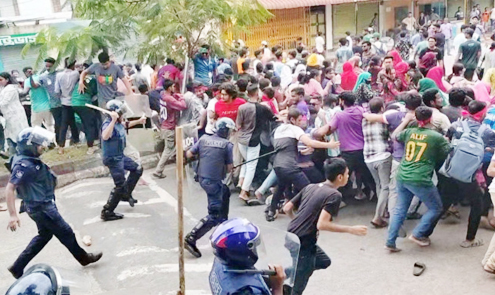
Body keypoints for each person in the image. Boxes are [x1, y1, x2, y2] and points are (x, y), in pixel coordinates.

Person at [5, 127, 103, 279]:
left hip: (40, 204)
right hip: (41, 207)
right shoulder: (23, 166)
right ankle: (84, 258)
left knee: (44, 236)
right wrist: (13, 215)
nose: (42, 147)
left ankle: (17, 266)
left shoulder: (29, 159)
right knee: (66, 232)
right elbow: (10, 188)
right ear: (30, 146)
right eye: (38, 145)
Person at [283, 158, 367, 295]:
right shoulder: (334, 195)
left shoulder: (311, 187)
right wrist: (350, 229)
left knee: (323, 261)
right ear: (340, 177)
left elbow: (287, 208)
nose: (348, 176)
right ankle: (294, 276)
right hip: (304, 243)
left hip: (290, 236)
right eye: (347, 174)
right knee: (298, 288)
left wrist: (297, 221)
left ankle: (287, 272)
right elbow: (322, 224)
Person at [385, 106, 450, 252]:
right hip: (420, 178)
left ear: (416, 118)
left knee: (400, 209)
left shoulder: (409, 132)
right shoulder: (436, 136)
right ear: (431, 119)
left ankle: (390, 241)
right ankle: (418, 233)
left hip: (402, 174)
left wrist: (405, 122)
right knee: (436, 207)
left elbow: (395, 135)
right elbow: (448, 150)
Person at [265, 108, 340, 221]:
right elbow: (310, 142)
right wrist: (329, 145)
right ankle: (318, 214)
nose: (301, 122)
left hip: (278, 165)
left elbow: (285, 148)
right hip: (290, 166)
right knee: (309, 189)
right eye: (299, 120)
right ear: (292, 120)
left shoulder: (278, 130)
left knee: (281, 186)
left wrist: (301, 152)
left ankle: (272, 210)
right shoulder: (295, 129)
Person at [184, 118, 235, 258]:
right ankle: (192, 237)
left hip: (202, 178)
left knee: (225, 192)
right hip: (213, 182)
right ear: (226, 131)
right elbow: (230, 168)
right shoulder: (227, 145)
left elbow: (189, 154)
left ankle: (223, 225)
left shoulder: (204, 139)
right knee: (214, 214)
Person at [209, 218, 286, 295]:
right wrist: (277, 288)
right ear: (242, 252)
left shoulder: (221, 262)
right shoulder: (248, 291)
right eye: (253, 248)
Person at [100, 100, 145, 221]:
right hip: (113, 159)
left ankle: (126, 194)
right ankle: (107, 211)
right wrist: (113, 120)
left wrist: (139, 121)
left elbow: (125, 125)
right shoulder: (108, 123)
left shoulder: (119, 122)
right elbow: (105, 136)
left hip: (120, 156)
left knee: (137, 169)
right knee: (119, 185)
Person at [236, 85, 274, 204]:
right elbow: (273, 118)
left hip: (241, 139)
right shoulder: (263, 108)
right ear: (257, 94)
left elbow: (238, 125)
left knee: (246, 162)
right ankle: (244, 191)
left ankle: (241, 181)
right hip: (254, 140)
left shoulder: (241, 107)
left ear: (247, 94)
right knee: (251, 165)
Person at [362, 98, 392, 228]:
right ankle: (377, 217)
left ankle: (383, 211)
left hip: (368, 156)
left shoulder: (364, 120)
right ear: (382, 108)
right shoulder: (383, 120)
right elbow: (390, 136)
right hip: (383, 155)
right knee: (386, 186)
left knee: (379, 184)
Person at [153, 80, 187, 179]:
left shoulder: (163, 95)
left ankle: (177, 160)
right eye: (173, 86)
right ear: (169, 88)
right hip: (169, 127)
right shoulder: (169, 99)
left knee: (174, 146)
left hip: (165, 125)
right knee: (168, 149)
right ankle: (158, 170)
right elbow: (182, 106)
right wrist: (181, 98)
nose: (174, 88)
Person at [55, 58, 81, 153]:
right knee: (75, 121)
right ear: (74, 64)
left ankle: (61, 146)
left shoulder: (59, 75)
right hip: (75, 101)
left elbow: (57, 90)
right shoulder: (76, 74)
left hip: (64, 101)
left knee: (65, 124)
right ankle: (76, 141)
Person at [0, 72, 29, 155]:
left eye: (1, 80)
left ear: (7, 80)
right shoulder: (3, 89)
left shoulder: (10, 89)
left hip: (15, 114)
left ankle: (22, 152)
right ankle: (13, 154)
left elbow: (5, 102)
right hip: (8, 115)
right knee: (10, 135)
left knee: (18, 134)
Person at [22, 67, 54, 133]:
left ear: (25, 73)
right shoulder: (41, 77)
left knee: (36, 127)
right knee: (50, 125)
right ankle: (53, 141)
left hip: (36, 108)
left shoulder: (28, 80)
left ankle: (42, 142)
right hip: (47, 106)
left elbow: (28, 90)